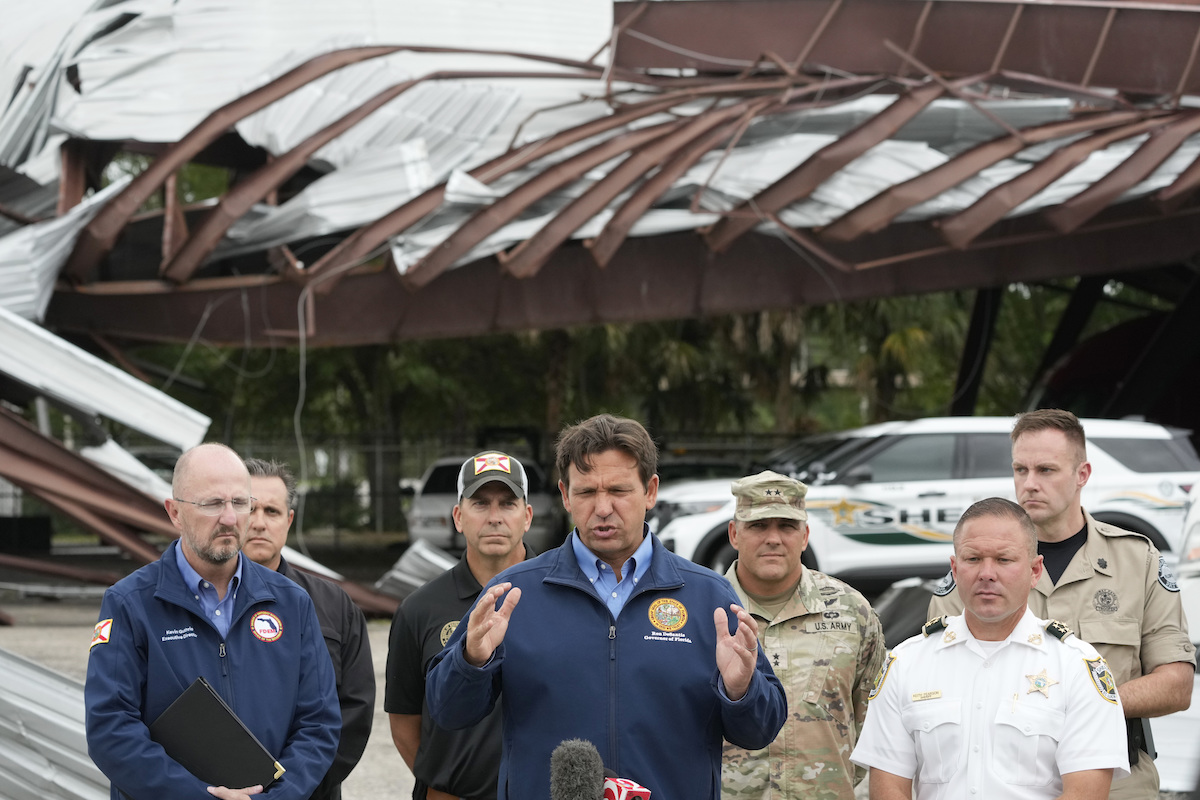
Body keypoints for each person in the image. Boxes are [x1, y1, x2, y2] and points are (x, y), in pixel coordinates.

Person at [425, 414, 787, 800]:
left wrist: (741, 690)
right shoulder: (512, 595)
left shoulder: (708, 597)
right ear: (565, 495)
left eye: (618, 490)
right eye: (586, 493)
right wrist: (471, 661)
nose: (602, 508)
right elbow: (448, 713)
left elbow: (759, 732)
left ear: (650, 491)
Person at [928, 409, 1195, 799]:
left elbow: (1177, 684)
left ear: (1082, 474)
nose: (1029, 484)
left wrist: (1089, 703)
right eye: (1021, 470)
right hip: (1002, 782)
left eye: (1046, 470)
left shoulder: (1137, 562)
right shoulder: (975, 571)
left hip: (1117, 783)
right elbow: (935, 682)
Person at [85, 443, 339, 800]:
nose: (230, 518)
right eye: (212, 503)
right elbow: (110, 729)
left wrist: (277, 797)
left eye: (239, 503)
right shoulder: (130, 604)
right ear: (174, 513)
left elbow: (319, 723)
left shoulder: (291, 604)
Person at [853, 497, 1129, 799]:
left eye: (1003, 559)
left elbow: (1086, 792)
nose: (986, 573)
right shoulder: (906, 663)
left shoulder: (1077, 666)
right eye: (973, 559)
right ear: (955, 570)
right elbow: (888, 787)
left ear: (1035, 571)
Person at [721, 470, 885, 800]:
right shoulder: (703, 611)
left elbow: (877, 727)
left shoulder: (852, 611)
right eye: (757, 526)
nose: (773, 538)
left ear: (805, 534)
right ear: (734, 534)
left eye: (786, 525)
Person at [386, 451, 537, 800]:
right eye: (480, 503)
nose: (495, 517)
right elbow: (404, 721)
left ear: (527, 516)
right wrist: (447, 783)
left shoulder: (559, 597)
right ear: (458, 516)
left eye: (508, 504)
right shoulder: (418, 609)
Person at [242, 458, 375, 800]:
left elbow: (355, 709)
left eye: (271, 512)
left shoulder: (334, 606)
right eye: (248, 509)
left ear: (288, 520)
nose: (258, 523)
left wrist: (295, 787)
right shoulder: (203, 604)